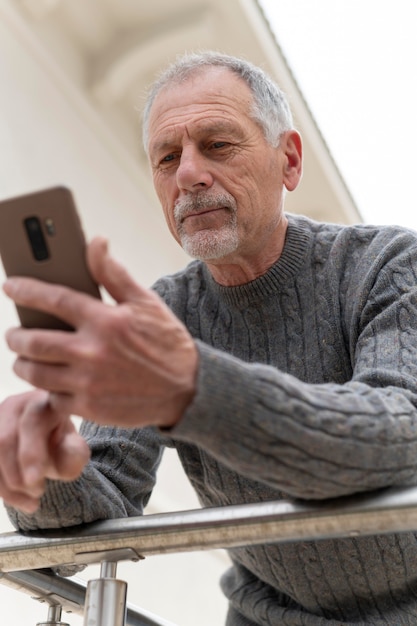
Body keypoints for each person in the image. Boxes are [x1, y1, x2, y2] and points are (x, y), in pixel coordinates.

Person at [1, 50, 417, 625]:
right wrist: (48, 473)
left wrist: (195, 389)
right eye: (166, 157)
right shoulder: (164, 312)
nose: (189, 175)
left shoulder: (389, 264)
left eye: (218, 145)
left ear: (289, 162)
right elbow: (99, 515)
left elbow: (398, 437)